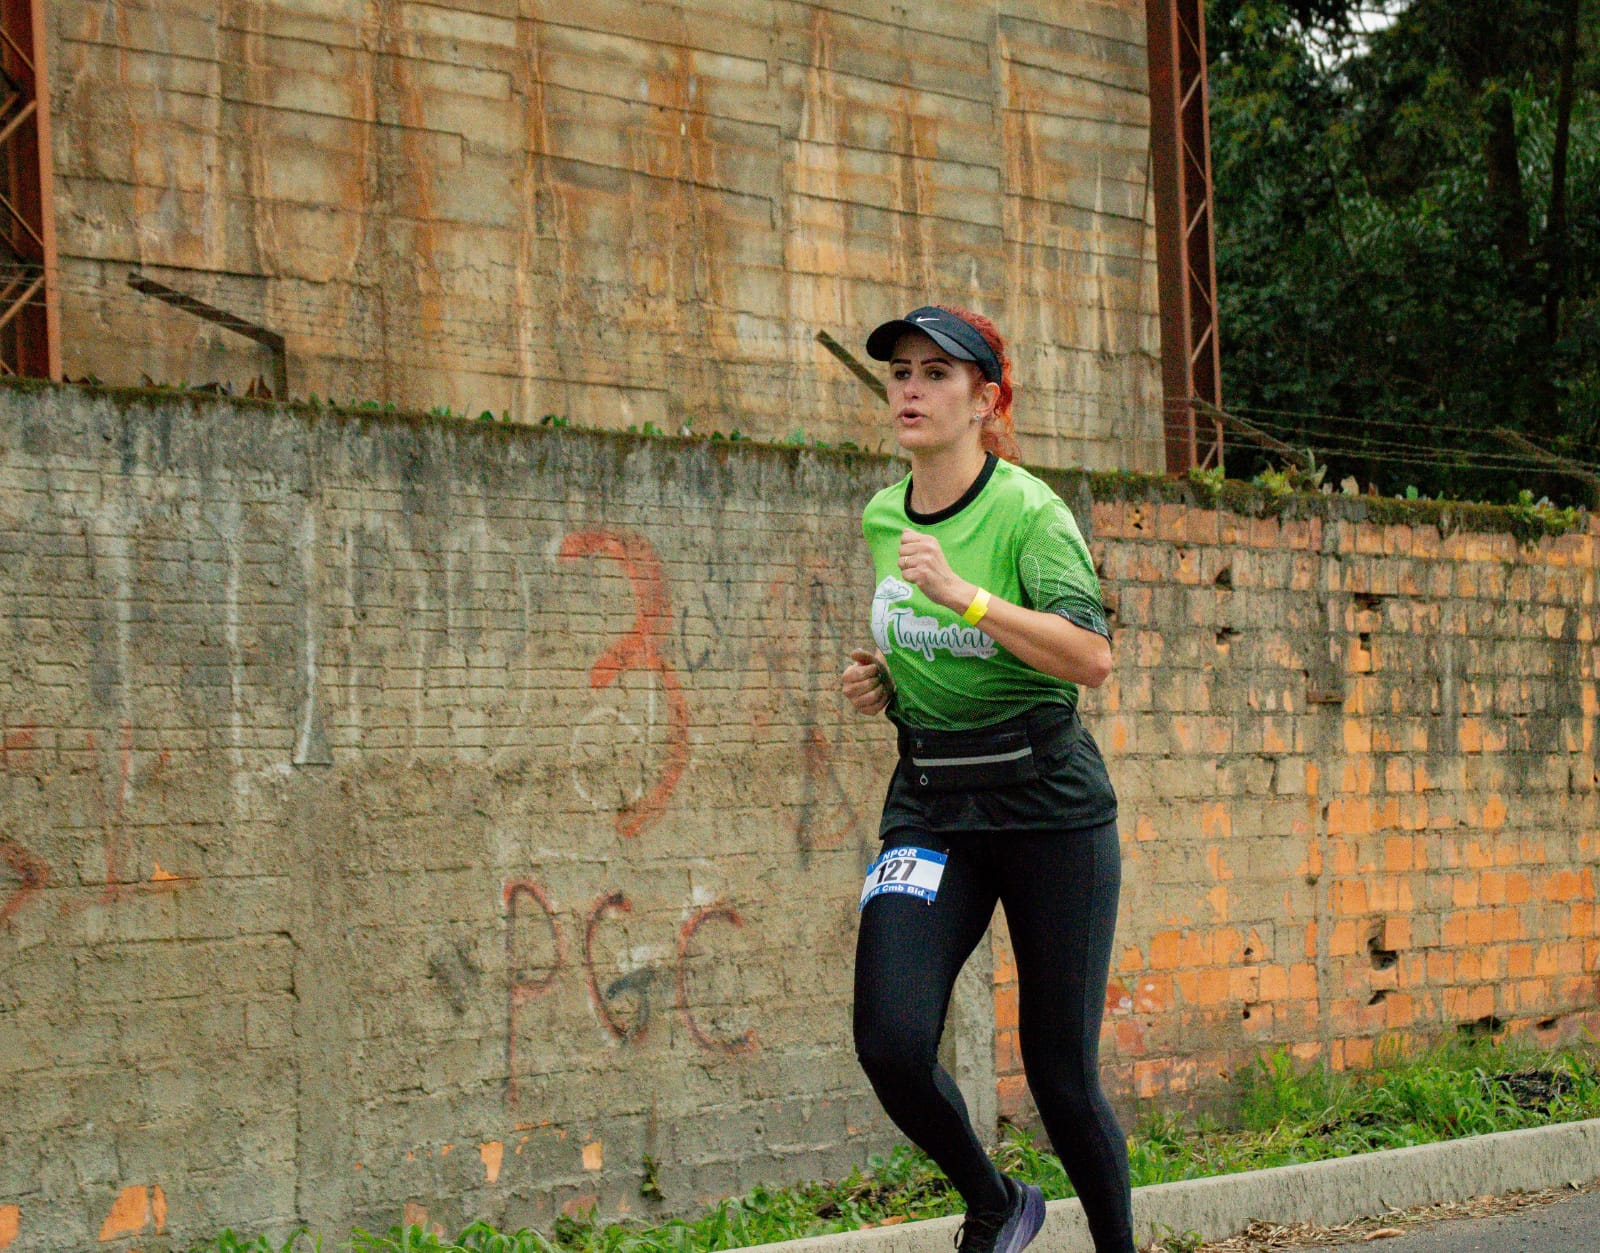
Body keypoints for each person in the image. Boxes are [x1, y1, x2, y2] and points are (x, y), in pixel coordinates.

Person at [840, 306, 1135, 1253]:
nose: (912, 390)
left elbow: (1090, 656)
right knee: (889, 1039)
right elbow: (931, 639)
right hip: (931, 801)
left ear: (985, 399)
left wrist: (965, 594)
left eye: (936, 373)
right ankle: (997, 1199)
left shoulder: (1029, 513)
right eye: (900, 374)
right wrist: (885, 674)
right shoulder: (885, 516)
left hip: (1046, 804)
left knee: (1060, 1077)